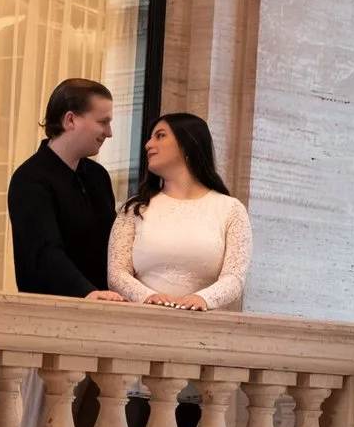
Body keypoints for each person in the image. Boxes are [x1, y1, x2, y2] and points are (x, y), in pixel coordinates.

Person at [108, 111, 251, 311]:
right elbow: (116, 273)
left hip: (204, 326)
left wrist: (202, 299)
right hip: (142, 319)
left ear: (188, 143)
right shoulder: (135, 208)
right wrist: (149, 297)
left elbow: (235, 277)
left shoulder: (231, 209)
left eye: (160, 136)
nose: (148, 144)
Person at [7, 80, 120, 298]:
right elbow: (44, 253)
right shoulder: (30, 180)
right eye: (103, 122)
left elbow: (112, 246)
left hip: (104, 309)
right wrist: (88, 292)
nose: (109, 132)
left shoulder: (98, 177)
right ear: (70, 120)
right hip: (52, 315)